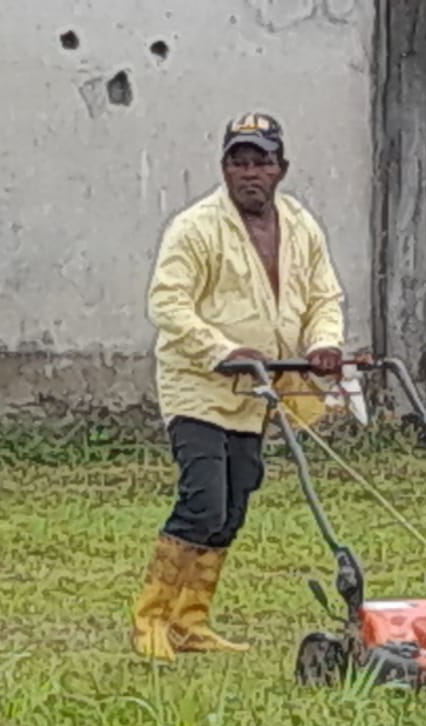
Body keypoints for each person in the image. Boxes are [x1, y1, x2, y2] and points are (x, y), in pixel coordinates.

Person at [129, 111, 347, 662]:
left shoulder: (301, 226)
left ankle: (191, 621)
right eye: (239, 162)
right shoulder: (196, 227)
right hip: (199, 386)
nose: (250, 172)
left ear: (281, 168)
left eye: (261, 162)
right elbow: (168, 303)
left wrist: (324, 343)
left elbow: (323, 297)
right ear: (225, 168)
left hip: (260, 390)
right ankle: (151, 620)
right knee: (204, 500)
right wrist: (221, 349)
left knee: (235, 502)